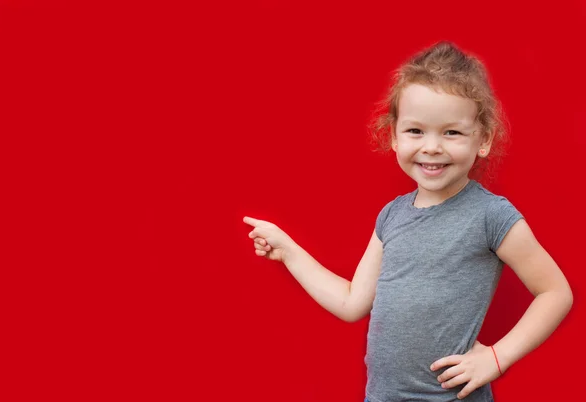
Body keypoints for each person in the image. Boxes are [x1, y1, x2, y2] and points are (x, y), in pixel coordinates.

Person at [242, 41, 572, 401]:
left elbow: (555, 293)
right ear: (394, 137)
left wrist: (497, 357)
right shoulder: (392, 215)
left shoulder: (491, 215)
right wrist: (289, 251)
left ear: (484, 139)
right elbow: (352, 303)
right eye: (416, 131)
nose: (432, 146)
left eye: (452, 132)